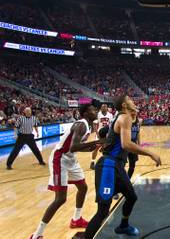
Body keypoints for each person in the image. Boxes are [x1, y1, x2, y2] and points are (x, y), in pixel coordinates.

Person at [85, 95, 161, 239]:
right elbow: (126, 144)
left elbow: (109, 134)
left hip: (117, 165)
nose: (133, 101)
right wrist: (150, 153)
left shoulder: (122, 117)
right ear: (125, 105)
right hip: (108, 166)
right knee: (102, 212)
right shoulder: (124, 117)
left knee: (131, 196)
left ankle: (123, 226)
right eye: (130, 100)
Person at [30, 104, 101, 239]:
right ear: (85, 113)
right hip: (60, 159)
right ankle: (36, 235)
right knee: (60, 199)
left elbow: (75, 148)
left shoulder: (89, 125)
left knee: (83, 187)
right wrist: (96, 142)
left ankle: (76, 219)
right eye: (93, 109)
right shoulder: (81, 125)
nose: (95, 111)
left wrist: (92, 147)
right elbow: (74, 146)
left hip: (70, 159)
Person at [90, 104, 113, 170]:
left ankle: (105, 162)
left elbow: (111, 125)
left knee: (107, 149)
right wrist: (97, 135)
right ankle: (92, 162)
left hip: (107, 134)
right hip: (100, 133)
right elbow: (94, 125)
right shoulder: (98, 114)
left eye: (105, 106)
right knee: (96, 148)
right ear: (101, 108)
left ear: (107, 108)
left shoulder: (110, 115)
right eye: (103, 106)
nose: (104, 108)